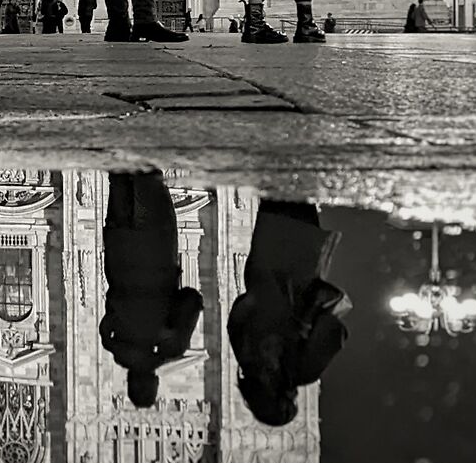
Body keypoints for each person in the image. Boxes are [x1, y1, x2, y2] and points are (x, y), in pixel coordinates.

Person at [228, 199, 350, 427]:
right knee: (276, 196)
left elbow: (334, 331)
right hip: (263, 266)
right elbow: (238, 311)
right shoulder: (245, 357)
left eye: (291, 401)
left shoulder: (300, 371)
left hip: (294, 269)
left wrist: (302, 321)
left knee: (297, 195)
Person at [99, 170, 204, 409]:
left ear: (154, 382)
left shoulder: (171, 347)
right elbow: (108, 315)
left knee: (147, 176)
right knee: (120, 174)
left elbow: (191, 299)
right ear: (130, 381)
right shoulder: (113, 344)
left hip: (155, 248)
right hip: (119, 247)